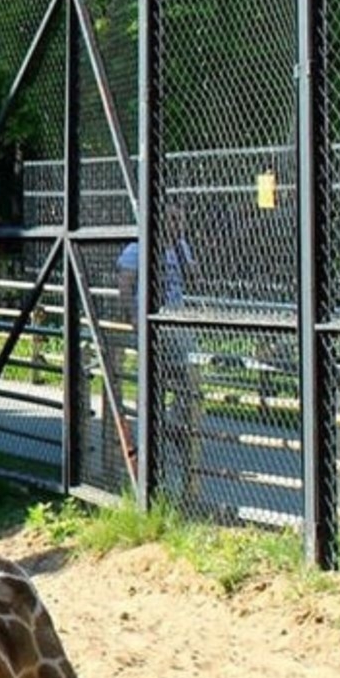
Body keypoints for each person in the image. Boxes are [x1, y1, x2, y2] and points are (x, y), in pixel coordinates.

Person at [116, 203, 202, 496]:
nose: (180, 225)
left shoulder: (181, 248)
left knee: (190, 375)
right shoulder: (137, 248)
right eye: (175, 219)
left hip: (176, 320)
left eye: (182, 219)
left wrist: (186, 259)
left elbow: (193, 279)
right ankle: (153, 432)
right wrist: (133, 317)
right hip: (150, 321)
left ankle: (177, 419)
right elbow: (125, 286)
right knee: (154, 379)